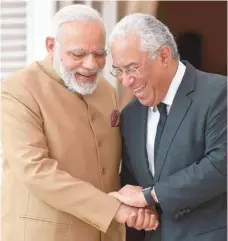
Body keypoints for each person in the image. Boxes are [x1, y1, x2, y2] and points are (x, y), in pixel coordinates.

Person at [1, 6, 159, 241]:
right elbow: (36, 171)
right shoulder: (18, 91)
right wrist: (114, 209)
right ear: (51, 46)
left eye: (99, 54)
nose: (91, 65)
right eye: (78, 54)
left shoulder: (106, 90)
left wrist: (142, 200)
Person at [109, 13, 227, 241]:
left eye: (132, 68)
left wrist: (151, 196)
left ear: (163, 55)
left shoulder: (220, 93)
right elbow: (133, 185)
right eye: (119, 71)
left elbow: (221, 164)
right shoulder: (130, 116)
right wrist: (139, 211)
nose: (125, 81)